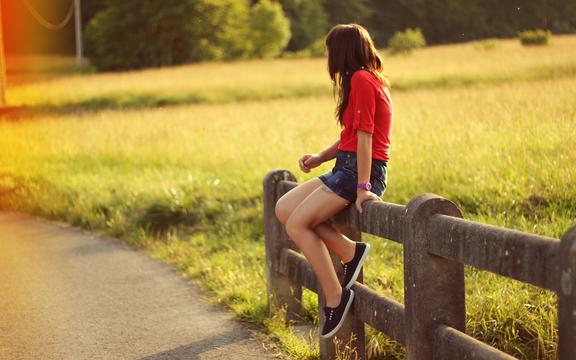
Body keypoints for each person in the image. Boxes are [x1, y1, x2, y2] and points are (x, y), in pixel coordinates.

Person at [274, 23, 393, 338]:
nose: (326, 55)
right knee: (285, 208)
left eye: (329, 48)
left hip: (358, 172)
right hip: (346, 166)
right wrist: (319, 158)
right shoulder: (359, 81)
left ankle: (335, 297)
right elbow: (351, 138)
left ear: (341, 51)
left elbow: (367, 138)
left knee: (297, 225)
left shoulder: (363, 81)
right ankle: (348, 251)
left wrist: (364, 188)